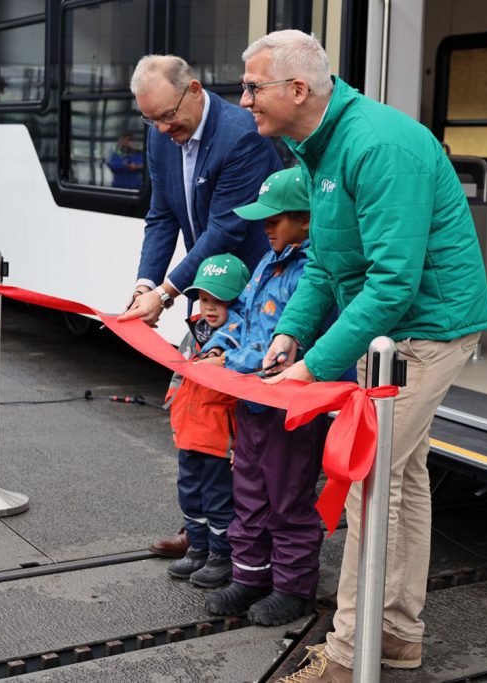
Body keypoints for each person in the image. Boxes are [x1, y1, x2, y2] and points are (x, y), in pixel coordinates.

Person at [241, 31, 487, 680]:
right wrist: (288, 334)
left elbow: (391, 283)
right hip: (390, 335)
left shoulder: (377, 145)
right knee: (401, 479)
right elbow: (325, 261)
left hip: (425, 331)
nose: (243, 100)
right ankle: (400, 636)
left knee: (365, 484)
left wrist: (313, 365)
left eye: (252, 87)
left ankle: (349, 656)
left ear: (298, 90)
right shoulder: (318, 146)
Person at [118, 54, 282, 559]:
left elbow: (228, 230)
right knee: (203, 419)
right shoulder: (159, 134)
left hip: (256, 294)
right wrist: (144, 281)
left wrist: (166, 293)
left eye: (168, 116)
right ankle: (206, 532)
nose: (163, 129)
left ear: (193, 89)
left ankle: (253, 541)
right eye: (151, 120)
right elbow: (161, 215)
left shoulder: (241, 135)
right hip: (210, 295)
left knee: (248, 425)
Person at [196, 167, 329, 627]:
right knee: (248, 493)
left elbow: (282, 340)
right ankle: (251, 576)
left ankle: (293, 589)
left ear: (306, 220)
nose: (265, 228)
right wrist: (218, 347)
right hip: (251, 406)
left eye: (275, 221)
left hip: (289, 409)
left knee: (288, 499)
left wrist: (228, 365)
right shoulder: (265, 263)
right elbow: (243, 319)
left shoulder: (314, 270)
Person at [164, 253, 251, 588]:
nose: (210, 307)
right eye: (204, 299)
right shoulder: (195, 329)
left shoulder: (239, 337)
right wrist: (172, 405)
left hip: (218, 439)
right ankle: (198, 548)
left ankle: (220, 555)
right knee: (190, 494)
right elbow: (178, 372)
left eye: (220, 300)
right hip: (189, 432)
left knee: (218, 499)